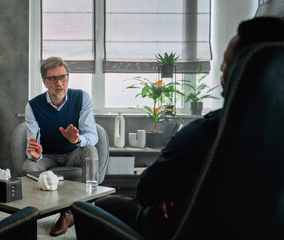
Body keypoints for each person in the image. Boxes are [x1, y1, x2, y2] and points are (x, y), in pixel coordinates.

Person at [94, 16, 284, 240]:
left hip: (180, 228)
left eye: (226, 63)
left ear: (243, 70)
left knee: (102, 204)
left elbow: (146, 189)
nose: (221, 69)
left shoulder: (205, 133)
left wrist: (168, 191)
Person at [22, 56, 99, 236]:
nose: (60, 83)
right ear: (45, 81)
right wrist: (35, 153)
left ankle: (85, 210)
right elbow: (32, 143)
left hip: (74, 153)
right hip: (48, 156)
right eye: (53, 78)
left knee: (91, 151)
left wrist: (78, 140)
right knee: (28, 166)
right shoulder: (33, 106)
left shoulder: (81, 98)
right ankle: (49, 210)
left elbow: (92, 135)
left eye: (63, 77)